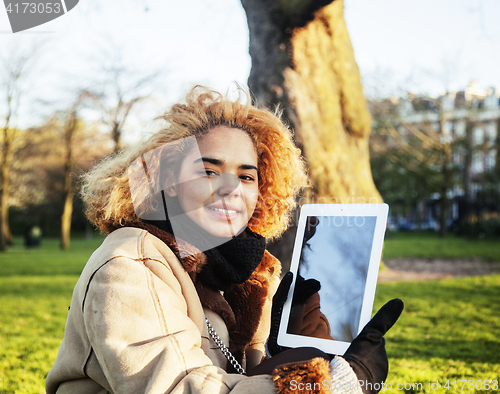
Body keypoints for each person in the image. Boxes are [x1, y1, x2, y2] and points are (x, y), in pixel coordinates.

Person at [46, 86, 403, 394]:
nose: (231, 189)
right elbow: (178, 387)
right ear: (167, 181)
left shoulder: (241, 276)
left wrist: (283, 350)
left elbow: (234, 377)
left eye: (247, 177)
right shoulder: (131, 263)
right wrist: (340, 381)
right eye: (208, 170)